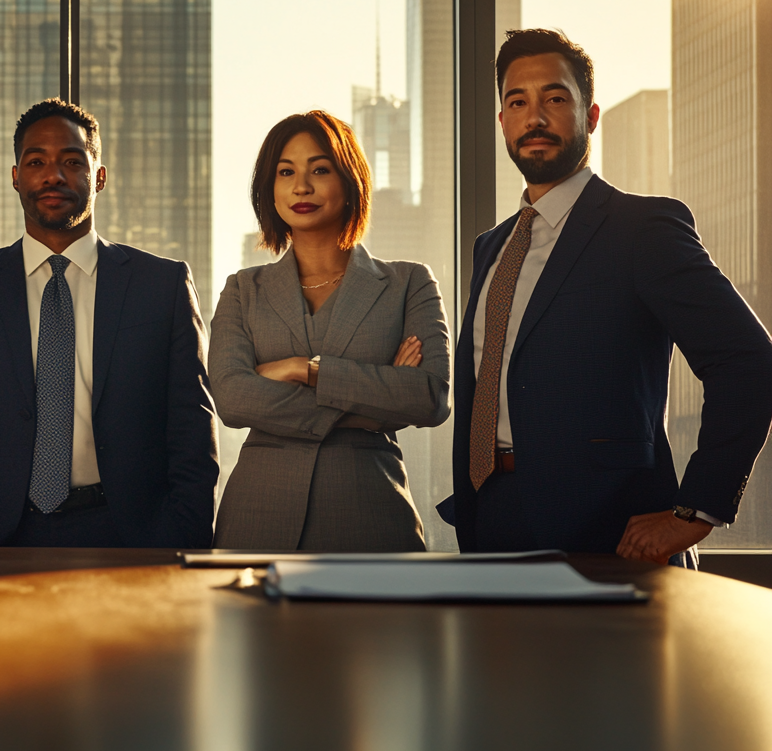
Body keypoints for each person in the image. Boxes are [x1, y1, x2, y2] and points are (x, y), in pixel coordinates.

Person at [445, 28, 772, 562]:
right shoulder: (492, 247)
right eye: (517, 102)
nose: (535, 118)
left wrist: (695, 510)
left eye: (555, 99)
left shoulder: (642, 228)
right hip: (494, 524)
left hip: (612, 536)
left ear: (589, 116)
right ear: (502, 122)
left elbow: (748, 360)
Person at [0, 98, 218, 548]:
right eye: (36, 161)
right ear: (16, 177)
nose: (53, 175)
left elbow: (192, 424)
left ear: (100, 176)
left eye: (72, 161)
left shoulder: (162, 285)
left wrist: (182, 531)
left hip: (131, 534)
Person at [210, 111, 450, 552]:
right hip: (257, 518)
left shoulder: (408, 282)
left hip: (371, 517)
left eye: (320, 169)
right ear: (270, 187)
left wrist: (305, 369)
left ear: (350, 181)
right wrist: (377, 412)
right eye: (286, 172)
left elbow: (430, 397)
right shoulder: (244, 289)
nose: (302, 186)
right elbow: (231, 398)